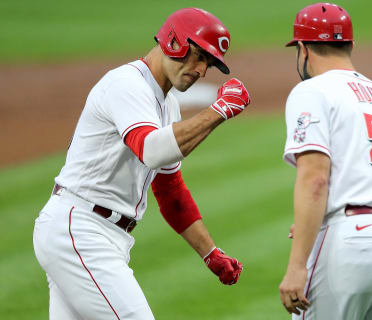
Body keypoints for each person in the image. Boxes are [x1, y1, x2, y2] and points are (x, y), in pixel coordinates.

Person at [33, 8, 249, 320]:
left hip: (96, 235)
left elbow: (170, 190)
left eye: (209, 64)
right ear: (175, 41)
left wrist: (209, 252)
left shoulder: (167, 104)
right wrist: (220, 110)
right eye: (200, 56)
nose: (202, 71)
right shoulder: (127, 84)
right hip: (80, 230)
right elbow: (150, 150)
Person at [278, 3, 372, 319]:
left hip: (353, 240)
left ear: (303, 48)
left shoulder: (312, 91)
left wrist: (296, 265)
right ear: (350, 45)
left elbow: (315, 178)